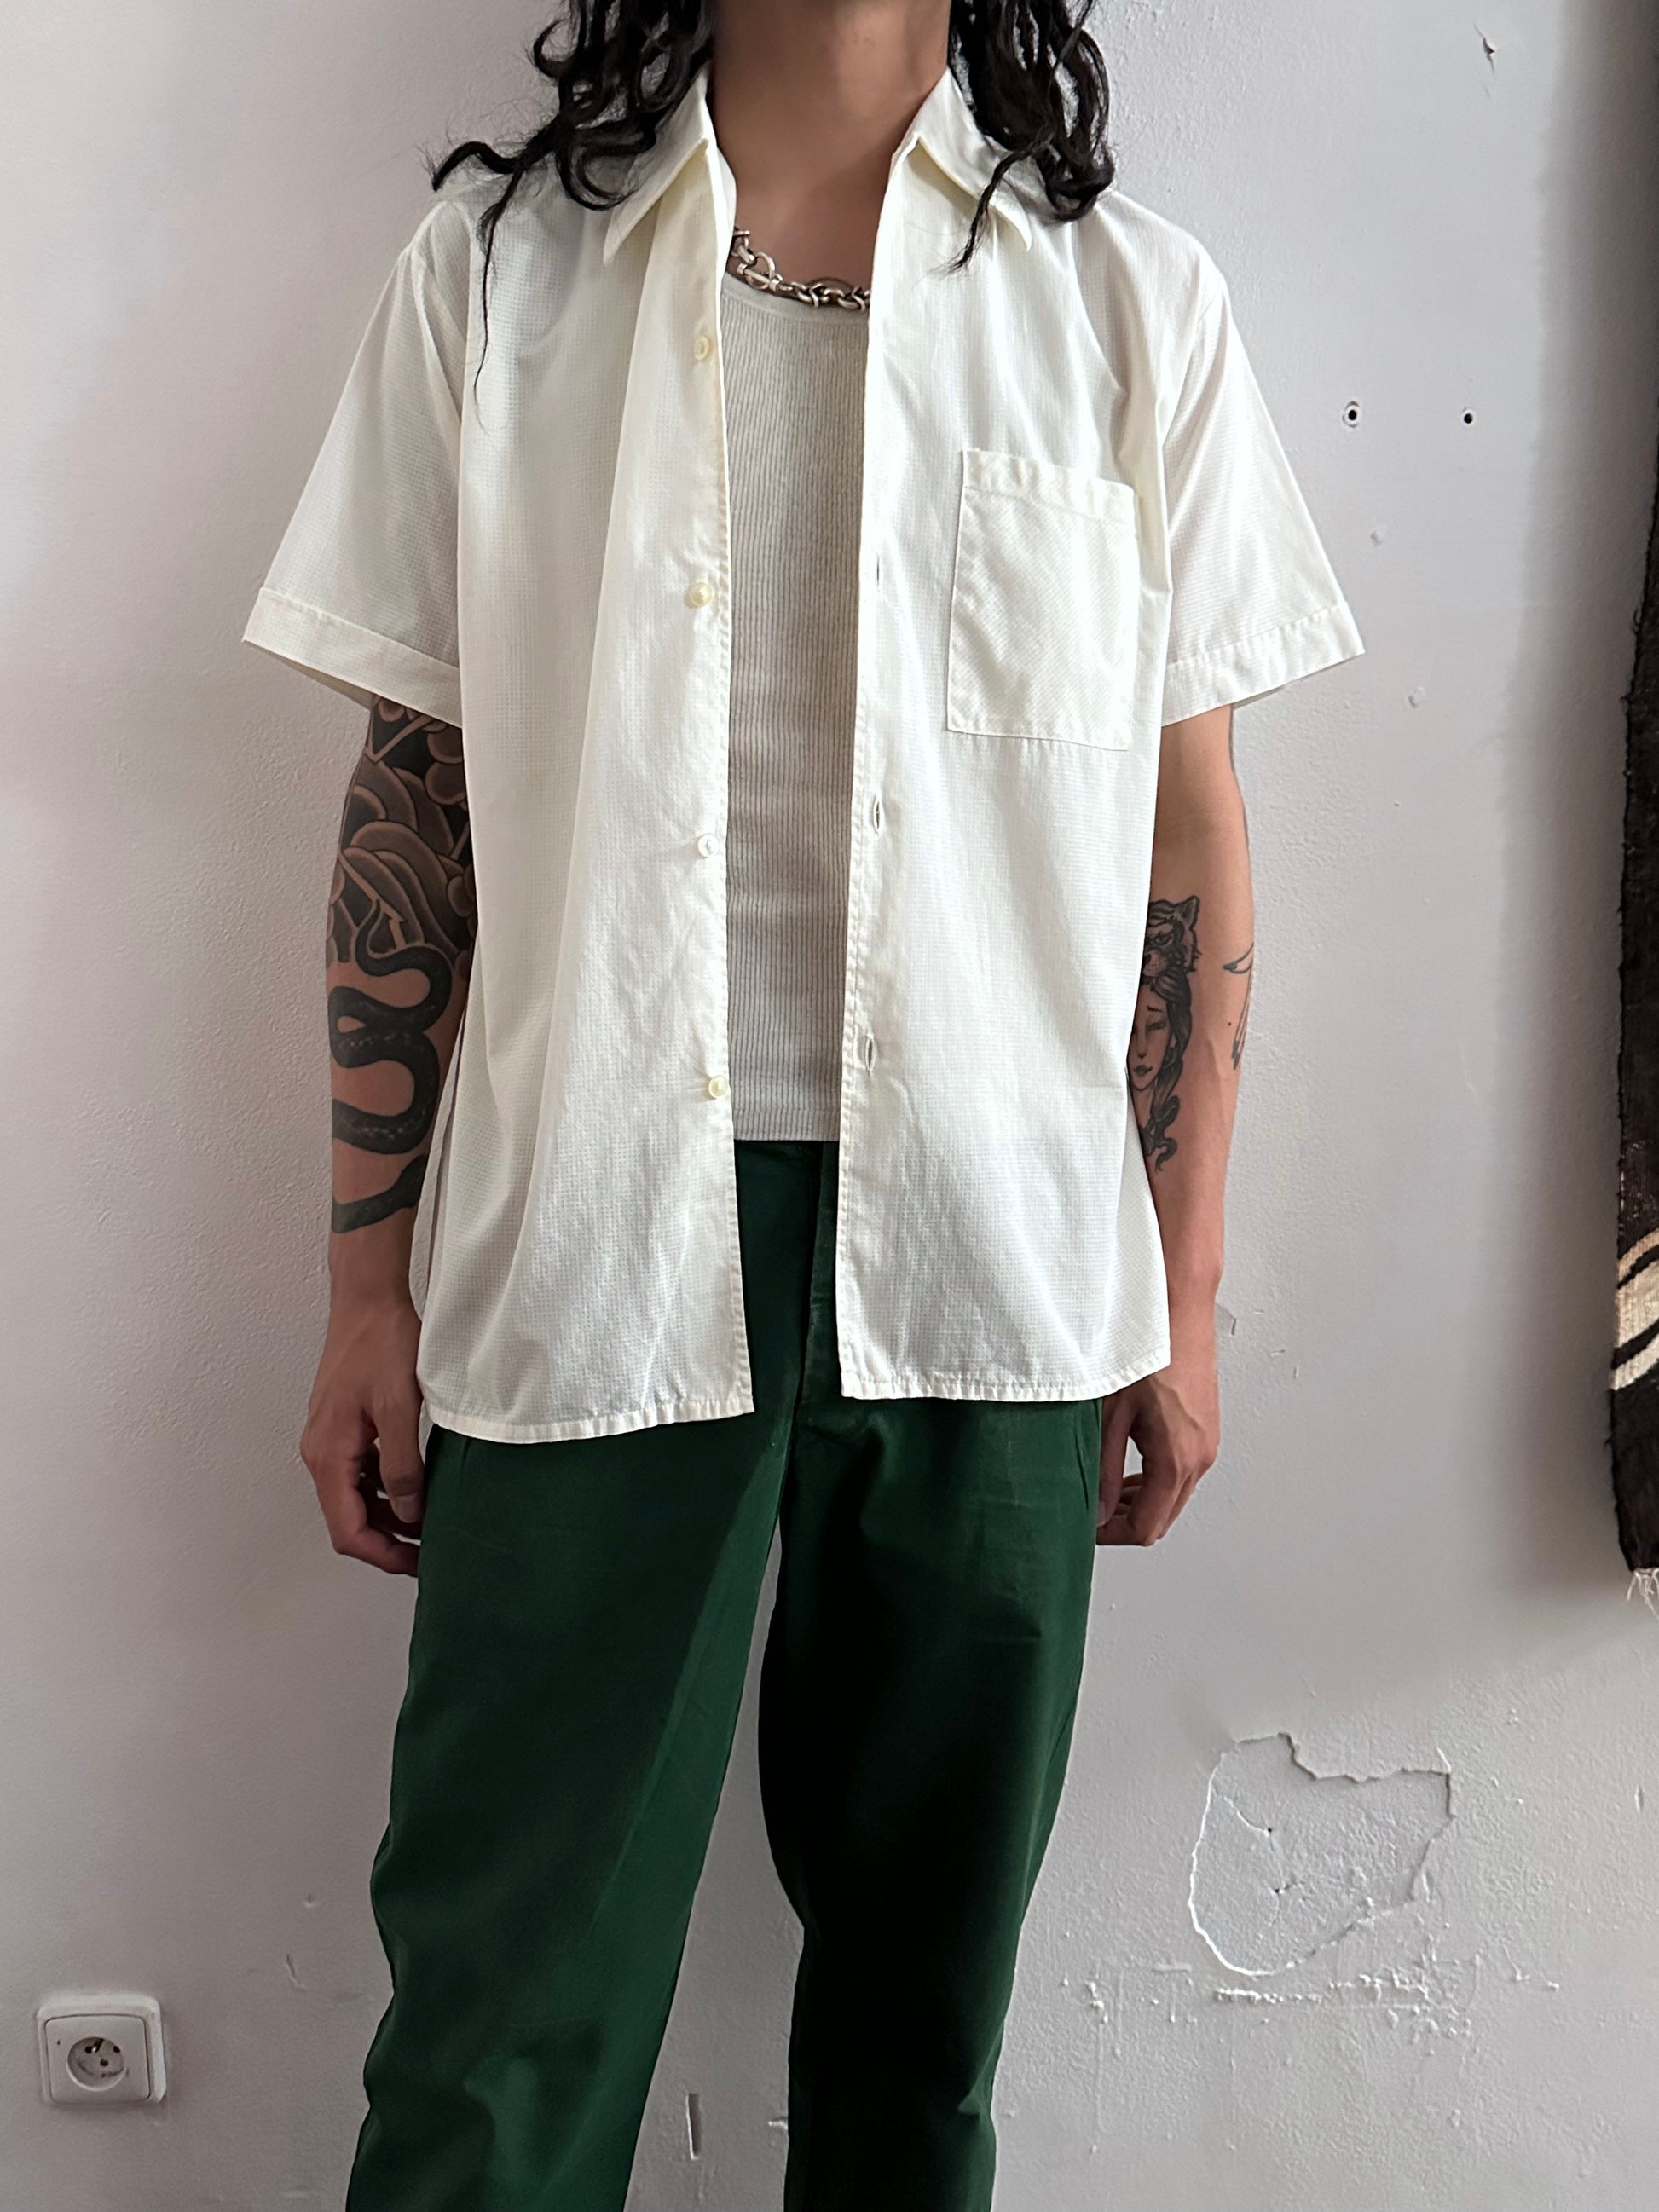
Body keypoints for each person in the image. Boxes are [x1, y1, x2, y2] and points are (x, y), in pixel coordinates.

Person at [242, 2, 1363, 2205]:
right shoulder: (499, 278)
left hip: (996, 1265)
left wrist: (1182, 1283)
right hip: (586, 1242)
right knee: (496, 2030)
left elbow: (1188, 835)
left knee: (916, 2041)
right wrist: (363, 1291)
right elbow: (414, 800)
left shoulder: (1125, 303)